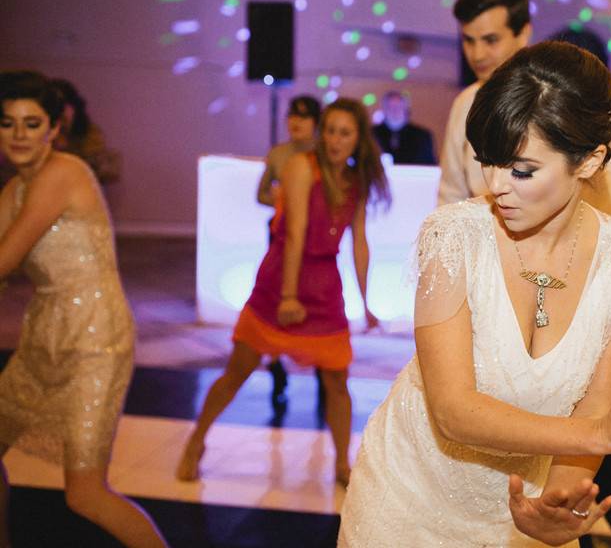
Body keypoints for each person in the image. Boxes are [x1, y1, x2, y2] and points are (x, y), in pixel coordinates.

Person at [339, 42, 611, 547]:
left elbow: (593, 409)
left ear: (590, 162)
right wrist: (599, 435)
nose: (496, 185)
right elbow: (453, 411)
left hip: (520, 509)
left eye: (522, 170)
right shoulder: (453, 238)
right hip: (406, 501)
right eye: (489, 161)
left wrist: (557, 504)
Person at [177, 98, 389, 488]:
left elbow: (360, 241)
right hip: (281, 281)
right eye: (330, 131)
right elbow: (294, 235)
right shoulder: (300, 167)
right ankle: (196, 439)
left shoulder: (356, 182)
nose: (334, 141)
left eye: (345, 133)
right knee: (238, 371)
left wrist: (367, 301)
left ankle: (342, 464)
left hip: (325, 287)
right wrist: (289, 296)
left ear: (359, 139)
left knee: (338, 382)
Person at [0, 71, 168, 547]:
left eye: (32, 124)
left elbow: (4, 260)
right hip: (44, 335)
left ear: (54, 129)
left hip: (95, 343)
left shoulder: (64, 173)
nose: (18, 135)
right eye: (7, 122)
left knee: (86, 495)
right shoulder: (13, 190)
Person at [436, 0, 611, 225]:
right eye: (468, 40)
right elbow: (451, 194)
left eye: (491, 40)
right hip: (485, 251)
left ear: (523, 32)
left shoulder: (563, 97)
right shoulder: (465, 102)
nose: (477, 54)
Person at [256, 94, 322, 411]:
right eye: (292, 116)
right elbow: (260, 193)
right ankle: (277, 369)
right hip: (280, 236)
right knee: (276, 303)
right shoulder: (279, 154)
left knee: (315, 305)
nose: (296, 122)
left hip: (315, 240)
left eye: (304, 117)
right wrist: (285, 202)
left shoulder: (326, 155)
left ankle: (324, 372)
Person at [50, 78, 121, 185]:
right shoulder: (42, 135)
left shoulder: (90, 134)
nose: (59, 111)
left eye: (63, 105)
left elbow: (105, 172)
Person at [372, 90, 436, 164]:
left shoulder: (422, 136)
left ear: (406, 109)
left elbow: (429, 164)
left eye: (399, 106)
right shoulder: (372, 134)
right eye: (390, 107)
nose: (395, 111)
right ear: (384, 109)